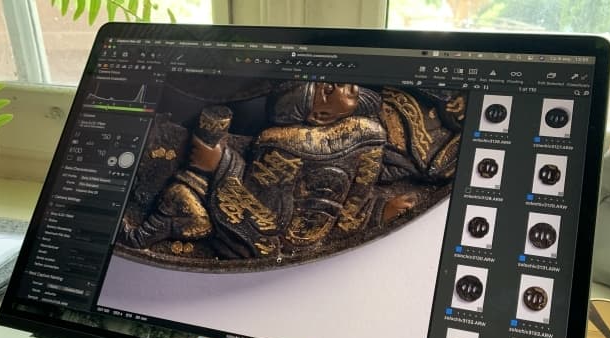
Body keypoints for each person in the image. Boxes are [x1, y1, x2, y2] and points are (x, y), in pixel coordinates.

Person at [121, 80, 464, 263]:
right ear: (319, 117)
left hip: (323, 241)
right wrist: (220, 164)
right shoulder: (281, 146)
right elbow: (265, 213)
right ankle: (148, 232)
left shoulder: (370, 135)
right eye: (326, 91)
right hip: (279, 235)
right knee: (181, 195)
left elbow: (357, 197)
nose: (338, 85)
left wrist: (378, 213)